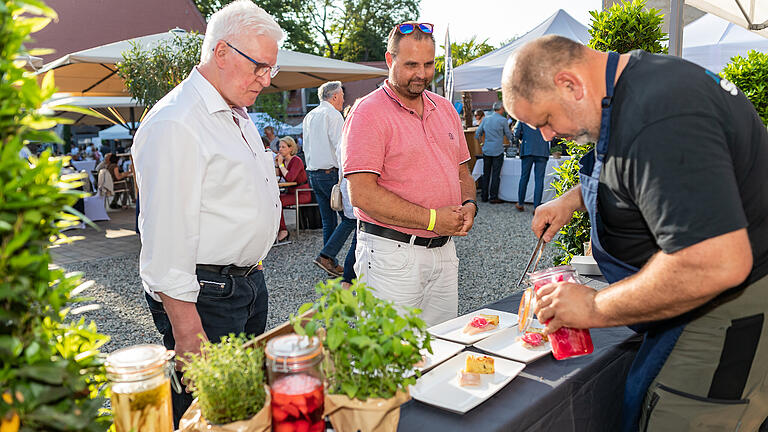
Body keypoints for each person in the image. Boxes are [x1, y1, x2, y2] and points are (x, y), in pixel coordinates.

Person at [501, 35, 768, 432]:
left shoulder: (660, 116)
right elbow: (647, 171)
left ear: (570, 84)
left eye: (544, 121)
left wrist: (593, 307)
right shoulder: (637, 82)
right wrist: (574, 200)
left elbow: (715, 263)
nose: (546, 136)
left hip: (723, 312)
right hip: (696, 305)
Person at [131, 1, 283, 425]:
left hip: (244, 282)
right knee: (208, 413)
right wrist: (186, 329)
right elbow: (166, 238)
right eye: (259, 67)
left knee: (244, 405)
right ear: (221, 53)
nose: (265, 80)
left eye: (270, 69)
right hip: (206, 294)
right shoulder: (177, 121)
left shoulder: (235, 111)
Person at [342, 21, 477, 327]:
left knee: (441, 350)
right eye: (411, 64)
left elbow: (462, 171)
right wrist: (432, 219)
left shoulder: (445, 108)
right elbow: (361, 194)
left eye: (429, 64)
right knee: (390, 362)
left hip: (444, 252)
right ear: (390, 60)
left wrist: (469, 205)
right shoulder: (367, 112)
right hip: (391, 255)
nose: (421, 74)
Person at [303, 81, 354, 277]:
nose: (343, 99)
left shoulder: (310, 115)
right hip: (330, 173)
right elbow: (341, 147)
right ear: (334, 97)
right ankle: (327, 256)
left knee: (328, 221)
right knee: (349, 219)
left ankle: (329, 261)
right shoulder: (333, 115)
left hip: (313, 172)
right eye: (341, 95)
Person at [475, 101, 514, 203]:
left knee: (486, 173)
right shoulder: (503, 120)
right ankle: (493, 197)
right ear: (501, 108)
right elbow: (508, 135)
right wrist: (512, 139)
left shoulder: (486, 119)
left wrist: (481, 144)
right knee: (496, 175)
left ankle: (484, 196)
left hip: (486, 150)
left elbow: (477, 133)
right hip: (497, 150)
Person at [275, 136, 310, 242]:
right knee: (274, 200)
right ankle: (279, 229)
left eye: (283, 147)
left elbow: (290, 177)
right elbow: (278, 176)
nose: (280, 149)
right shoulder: (284, 162)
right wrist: (277, 165)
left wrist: (281, 164)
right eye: (280, 147)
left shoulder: (296, 161)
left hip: (302, 193)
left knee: (278, 202)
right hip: (291, 192)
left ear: (291, 148)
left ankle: (284, 230)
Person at [513, 119, 550, 211]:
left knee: (524, 177)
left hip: (527, 149)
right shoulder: (545, 118)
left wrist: (524, 137)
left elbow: (516, 133)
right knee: (539, 180)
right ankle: (537, 207)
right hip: (542, 150)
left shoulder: (523, 117)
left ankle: (520, 203)